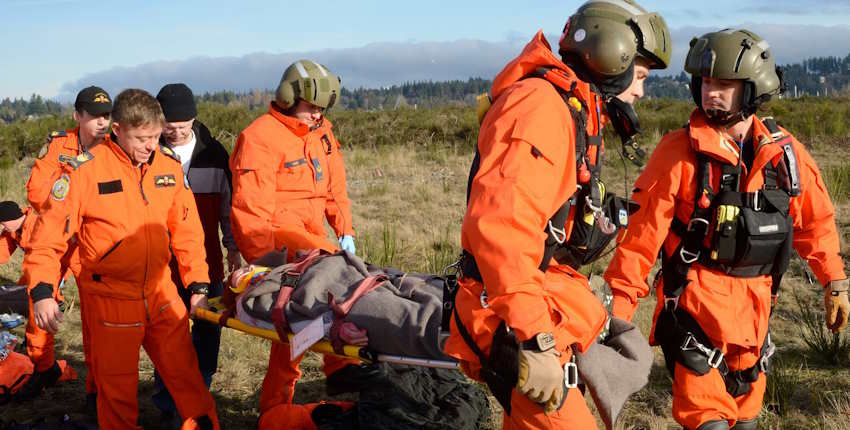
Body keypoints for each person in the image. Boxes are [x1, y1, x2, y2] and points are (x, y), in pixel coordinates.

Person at [603, 29, 848, 430]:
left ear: (752, 90)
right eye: (705, 83)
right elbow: (638, 244)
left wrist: (834, 282)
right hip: (695, 319)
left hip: (756, 325)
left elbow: (816, 223)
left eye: (724, 85)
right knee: (710, 424)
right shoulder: (679, 154)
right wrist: (618, 323)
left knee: (747, 422)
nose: (710, 93)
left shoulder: (785, 156)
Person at [443, 1, 671, 428]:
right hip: (508, 310)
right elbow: (501, 229)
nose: (641, 91)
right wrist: (536, 339)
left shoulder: (570, 108)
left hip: (533, 295)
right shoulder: (541, 109)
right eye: (640, 76)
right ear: (612, 54)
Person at [22, 89, 220, 429]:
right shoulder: (85, 172)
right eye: (142, 138)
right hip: (110, 300)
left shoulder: (168, 167)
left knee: (188, 382)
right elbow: (48, 234)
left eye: (156, 137)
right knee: (117, 395)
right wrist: (41, 290)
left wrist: (197, 283)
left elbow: (188, 231)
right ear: (117, 129)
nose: (150, 146)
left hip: (162, 295)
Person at [229, 59, 358, 422]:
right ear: (288, 99)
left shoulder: (323, 135)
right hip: (283, 253)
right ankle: (276, 410)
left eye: (321, 110)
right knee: (295, 330)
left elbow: (335, 191)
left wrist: (345, 231)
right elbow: (250, 212)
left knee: (340, 306)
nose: (316, 116)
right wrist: (268, 266)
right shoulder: (260, 139)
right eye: (311, 108)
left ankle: (342, 372)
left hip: (318, 246)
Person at [150, 83, 238, 420]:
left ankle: (201, 393)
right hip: (161, 267)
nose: (174, 133)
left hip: (208, 262)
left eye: (181, 127)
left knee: (206, 331)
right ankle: (165, 402)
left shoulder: (214, 155)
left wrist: (232, 248)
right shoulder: (149, 154)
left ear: (194, 120)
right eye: (167, 127)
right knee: (165, 335)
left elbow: (229, 208)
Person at [22, 85, 112, 404]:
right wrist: (64, 207)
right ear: (78, 116)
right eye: (94, 116)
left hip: (90, 242)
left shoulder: (113, 151)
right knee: (41, 299)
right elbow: (35, 191)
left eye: (106, 116)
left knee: (95, 313)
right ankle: (42, 366)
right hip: (56, 233)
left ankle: (96, 387)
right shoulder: (60, 144)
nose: (102, 123)